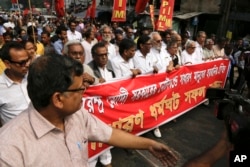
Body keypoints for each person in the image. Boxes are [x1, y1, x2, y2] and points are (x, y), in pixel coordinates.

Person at [0, 55, 178, 166]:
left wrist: (149, 144)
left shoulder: (78, 115)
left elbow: (110, 134)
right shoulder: (9, 148)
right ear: (58, 99)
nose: (84, 93)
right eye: (79, 89)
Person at [88, 42, 115, 167]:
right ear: (93, 56)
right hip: (94, 112)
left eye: (106, 54)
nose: (104, 57)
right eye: (100, 55)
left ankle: (106, 160)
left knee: (106, 136)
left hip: (109, 110)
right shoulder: (88, 70)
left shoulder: (111, 65)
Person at [0, 41, 31, 126]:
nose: (27, 65)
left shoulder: (34, 77)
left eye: (28, 60)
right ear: (7, 64)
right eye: (22, 63)